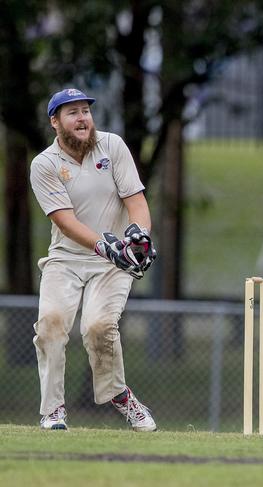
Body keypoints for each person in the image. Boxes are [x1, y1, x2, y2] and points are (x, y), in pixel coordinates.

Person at [30, 88, 157, 431]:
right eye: (72, 112)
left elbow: (136, 201)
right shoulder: (45, 164)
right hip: (67, 259)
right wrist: (106, 244)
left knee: (99, 327)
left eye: (85, 110)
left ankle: (120, 395)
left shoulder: (112, 146)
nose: (83, 117)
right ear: (55, 122)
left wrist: (139, 235)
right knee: (51, 324)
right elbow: (65, 222)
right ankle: (53, 409)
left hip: (110, 264)